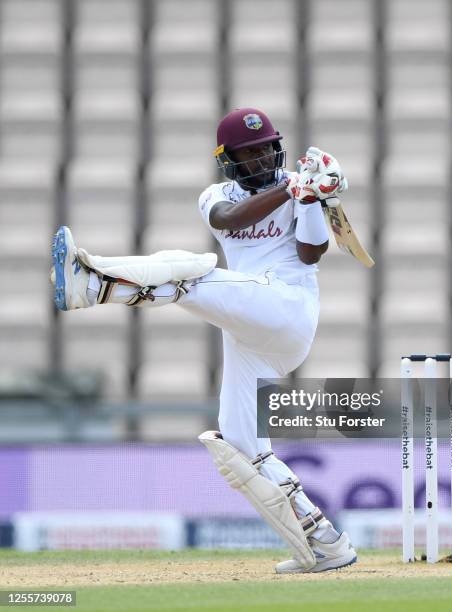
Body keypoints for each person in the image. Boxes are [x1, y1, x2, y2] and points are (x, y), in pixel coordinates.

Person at [50, 107, 357, 573]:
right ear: (228, 160)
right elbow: (231, 220)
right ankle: (325, 543)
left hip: (288, 310)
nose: (260, 159)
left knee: (191, 273)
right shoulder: (216, 195)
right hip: (248, 326)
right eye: (248, 154)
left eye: (265, 149)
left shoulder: (298, 187)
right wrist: (292, 188)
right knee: (242, 447)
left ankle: (94, 285)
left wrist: (316, 196)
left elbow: (311, 254)